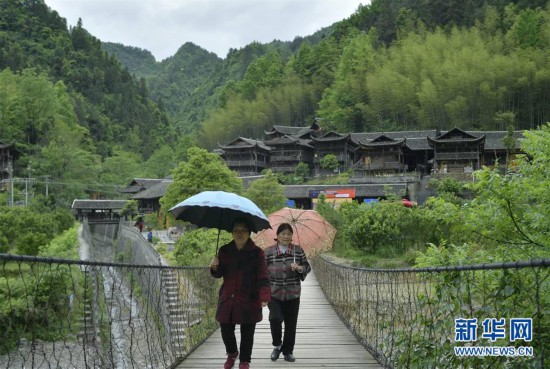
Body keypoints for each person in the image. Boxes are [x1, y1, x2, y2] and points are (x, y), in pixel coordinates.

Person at [210, 218, 271, 369]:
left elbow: (263, 277)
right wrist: (215, 267)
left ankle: (244, 360)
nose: (240, 233)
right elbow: (218, 274)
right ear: (231, 232)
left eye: (243, 229)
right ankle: (232, 353)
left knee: (247, 331)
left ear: (249, 232)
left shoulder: (257, 253)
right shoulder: (224, 251)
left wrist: (264, 296)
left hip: (249, 298)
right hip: (228, 298)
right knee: (225, 328)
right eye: (236, 229)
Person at [264, 223, 311, 363]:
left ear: (292, 236)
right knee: (275, 318)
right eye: (283, 233)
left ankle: (288, 351)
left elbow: (307, 267)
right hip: (274, 293)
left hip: (293, 294)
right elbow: (262, 272)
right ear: (277, 236)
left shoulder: (298, 251)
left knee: (291, 324)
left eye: (289, 234)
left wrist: (299, 268)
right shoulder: (268, 252)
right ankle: (277, 346)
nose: (286, 236)